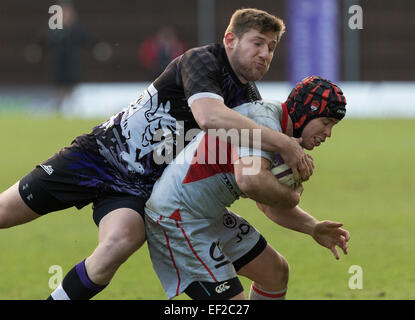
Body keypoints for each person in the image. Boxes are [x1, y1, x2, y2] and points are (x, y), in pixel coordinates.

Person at [0, 8, 312, 300]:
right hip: (95, 156)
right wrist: (283, 143)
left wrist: (302, 213)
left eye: (271, 48)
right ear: (230, 39)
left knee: (118, 244)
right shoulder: (203, 60)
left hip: (141, 187)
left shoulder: (248, 101)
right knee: (4, 212)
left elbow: (252, 180)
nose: (264, 54)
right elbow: (208, 116)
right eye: (257, 43)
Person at [144, 76, 350, 300]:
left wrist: (313, 227)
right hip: (176, 217)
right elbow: (251, 181)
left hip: (205, 215)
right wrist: (292, 197)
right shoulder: (264, 120)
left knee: (274, 272)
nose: (328, 133)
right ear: (307, 111)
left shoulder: (279, 136)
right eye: (326, 122)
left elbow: (267, 204)